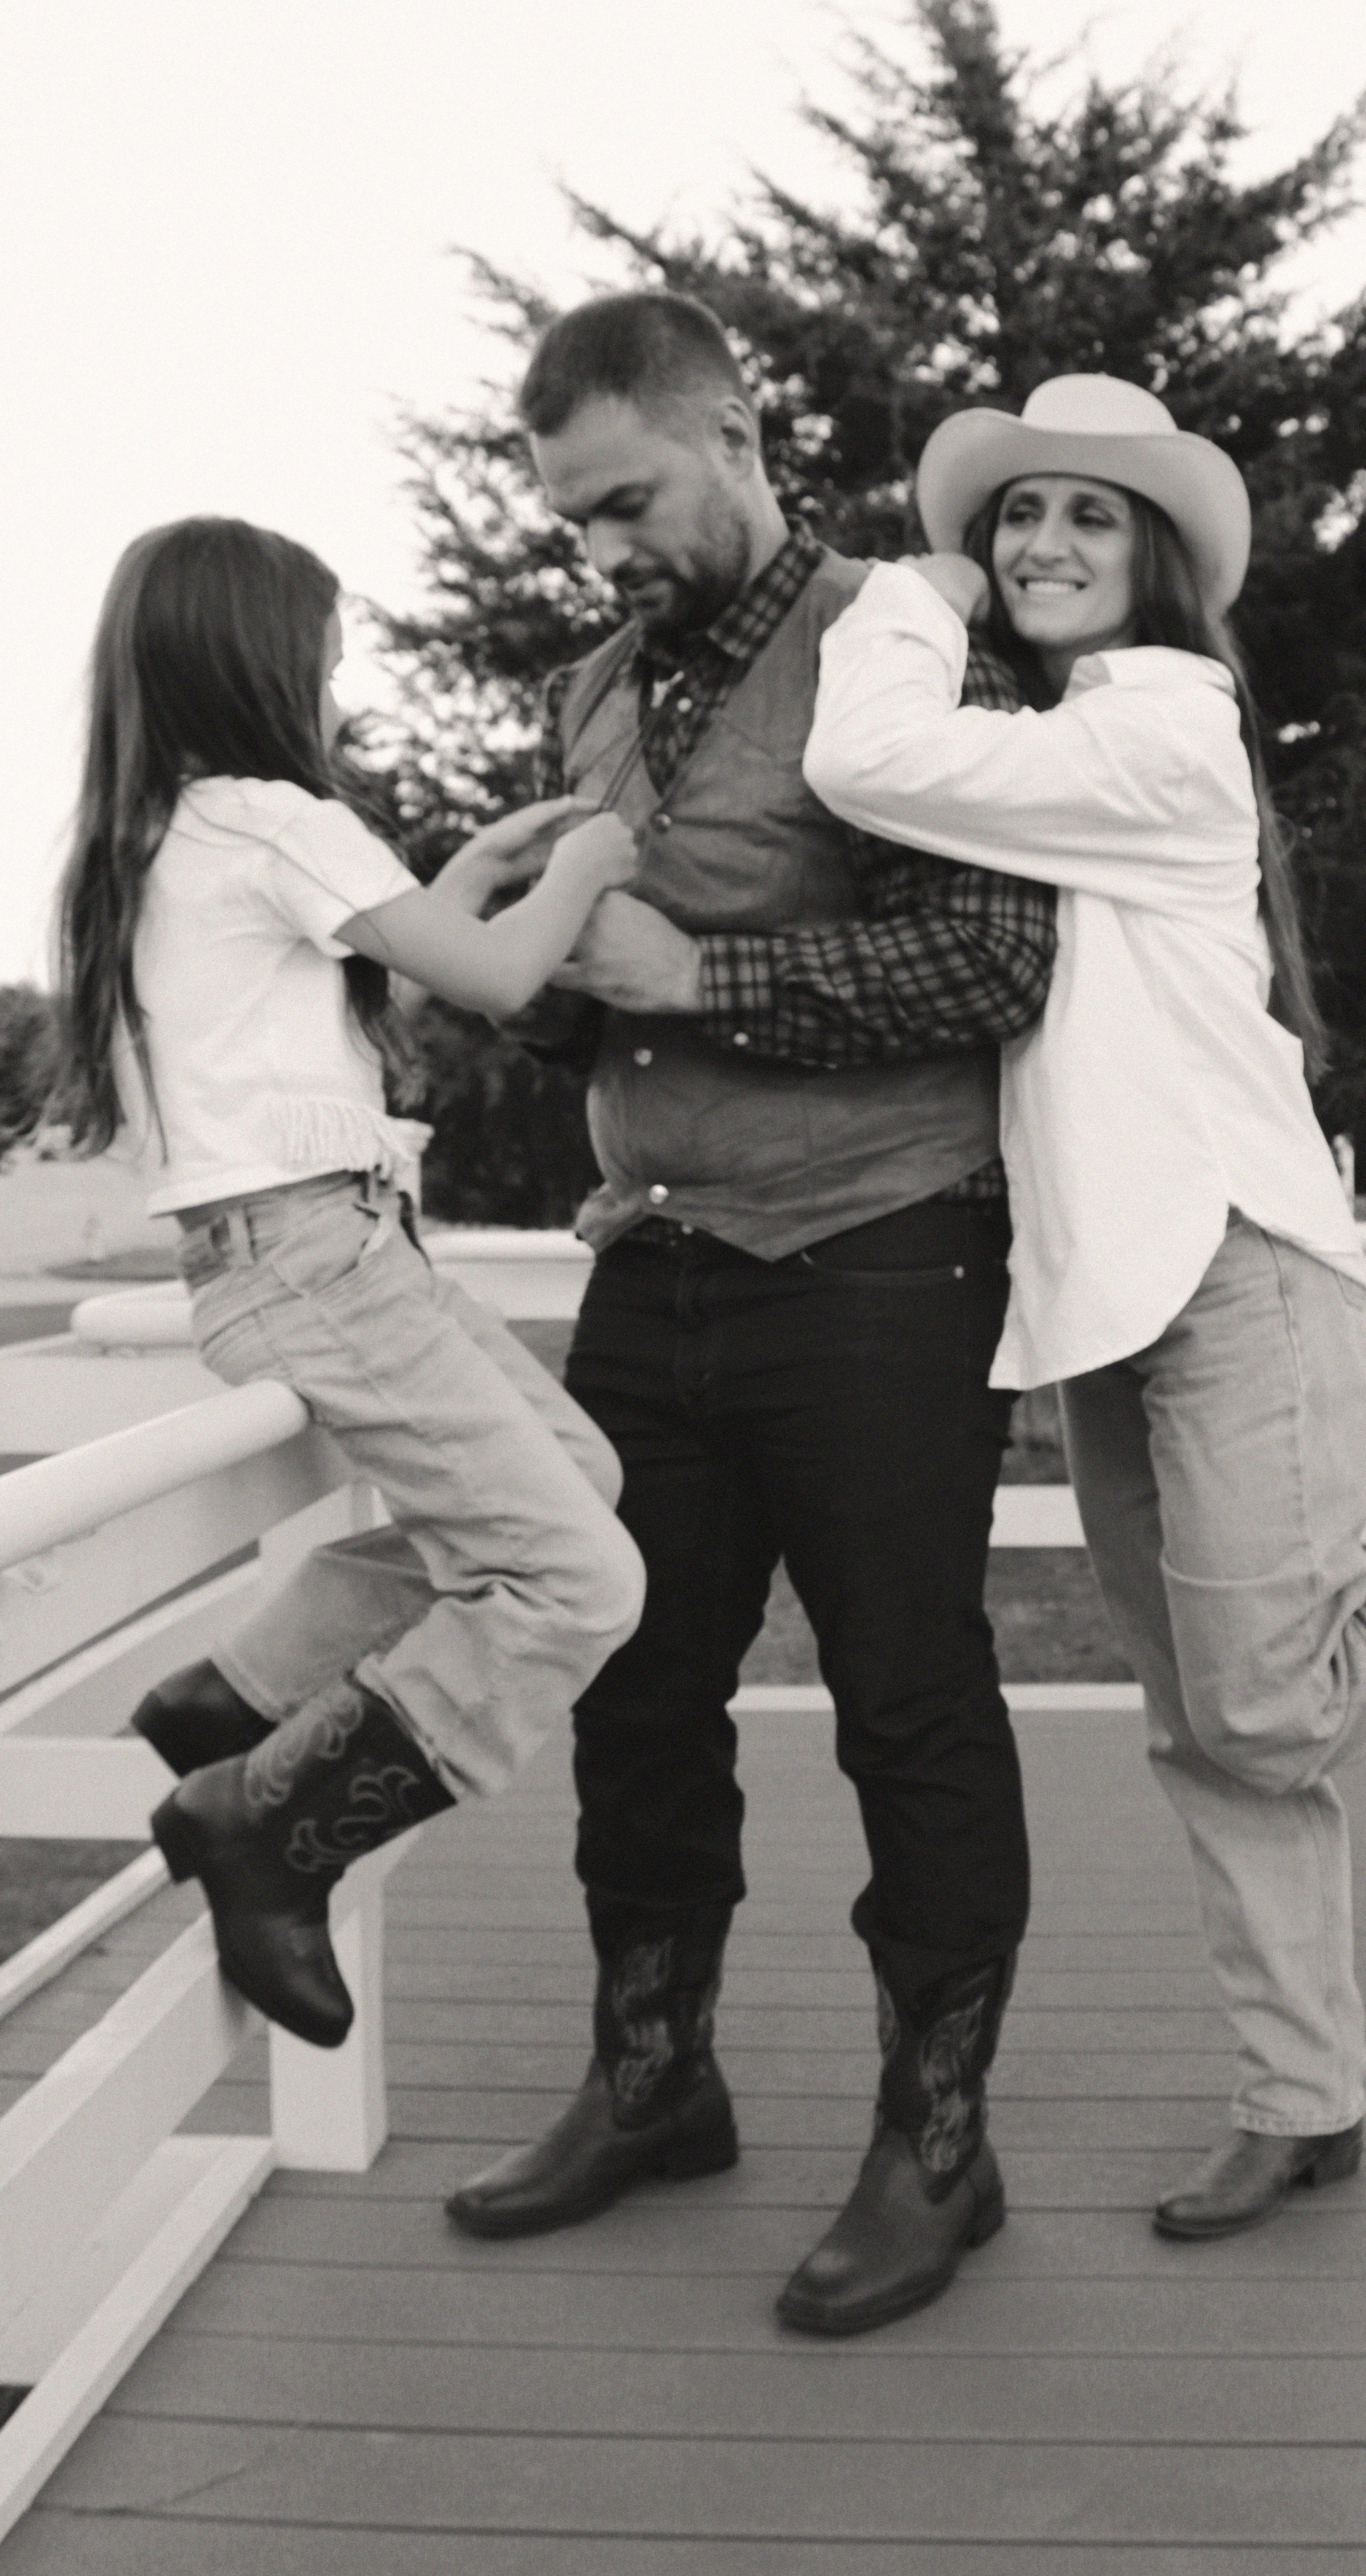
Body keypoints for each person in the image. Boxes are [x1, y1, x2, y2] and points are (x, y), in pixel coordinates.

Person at [802, 372, 1366, 2241]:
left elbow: (857, 759)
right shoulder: (1061, 759)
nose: (1041, 546)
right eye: (1017, 516)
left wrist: (914, 594)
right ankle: (1304, 2101)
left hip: (1231, 1259)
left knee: (1275, 1708)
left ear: (1155, 568)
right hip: (1112, 1294)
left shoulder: (1160, 729)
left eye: (1089, 519)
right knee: (1208, 1729)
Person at [436, 291, 1059, 2340]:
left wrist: (686, 981)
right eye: (571, 522)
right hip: (654, 1268)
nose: (599, 550)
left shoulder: (913, 633)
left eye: (623, 500)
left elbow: (991, 962)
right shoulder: (589, 690)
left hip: (883, 1258)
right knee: (631, 1688)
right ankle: (654, 2079)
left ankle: (938, 2148)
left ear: (732, 429)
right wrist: (494, 959)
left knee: (910, 1700)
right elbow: (573, 999)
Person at [54, 514, 647, 2052]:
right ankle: (270, 1826)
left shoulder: (168, 836)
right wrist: (589, 855)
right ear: (259, 667)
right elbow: (502, 978)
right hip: (318, 1254)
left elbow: (351, 967)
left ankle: (233, 1696)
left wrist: (467, 870)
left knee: (578, 1474)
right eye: (319, 663)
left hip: (307, 1255)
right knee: (583, 1578)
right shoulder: (267, 812)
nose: (332, 693)